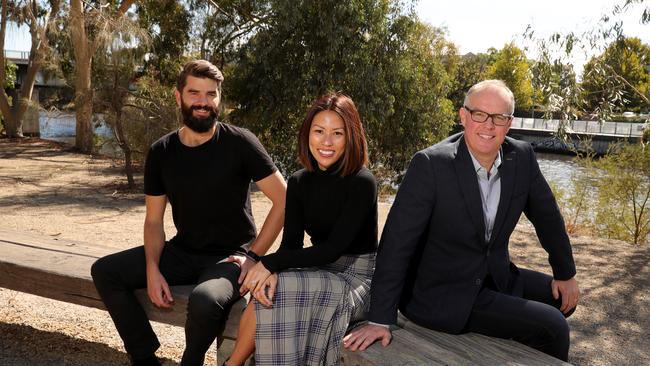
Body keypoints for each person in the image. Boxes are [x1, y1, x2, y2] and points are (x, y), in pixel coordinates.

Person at [344, 80, 580, 361]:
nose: (488, 125)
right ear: (464, 116)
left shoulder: (522, 158)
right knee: (553, 326)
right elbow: (396, 244)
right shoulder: (431, 165)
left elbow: (547, 217)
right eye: (479, 114)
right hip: (445, 291)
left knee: (564, 301)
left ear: (509, 123)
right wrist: (380, 318)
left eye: (499, 117)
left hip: (496, 275)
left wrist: (565, 273)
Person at [91, 59, 287, 366]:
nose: (203, 102)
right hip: (183, 251)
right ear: (178, 95)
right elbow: (154, 221)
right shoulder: (161, 152)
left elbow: (284, 199)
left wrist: (254, 256)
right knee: (105, 271)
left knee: (205, 300)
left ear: (219, 98)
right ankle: (144, 358)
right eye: (195, 92)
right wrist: (152, 268)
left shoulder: (240, 143)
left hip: (231, 257)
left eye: (211, 94)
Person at [224, 92, 378, 366]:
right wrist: (270, 269)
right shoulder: (298, 182)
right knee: (267, 289)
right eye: (319, 131)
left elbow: (332, 250)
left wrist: (268, 264)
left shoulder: (362, 182)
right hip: (317, 268)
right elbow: (291, 246)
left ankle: (232, 364)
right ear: (308, 134)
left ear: (351, 137)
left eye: (337, 133)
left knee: (276, 287)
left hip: (356, 279)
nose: (327, 142)